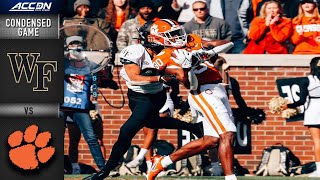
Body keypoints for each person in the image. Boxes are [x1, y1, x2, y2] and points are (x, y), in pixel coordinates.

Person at [83, 20, 204, 180]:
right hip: (136, 95)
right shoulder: (135, 51)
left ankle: (105, 171)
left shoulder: (172, 51)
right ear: (153, 37)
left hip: (153, 97)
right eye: (171, 35)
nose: (175, 38)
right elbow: (134, 77)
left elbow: (185, 77)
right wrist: (160, 77)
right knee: (152, 122)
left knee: (126, 131)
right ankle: (193, 128)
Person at [146, 41, 237, 180]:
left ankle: (162, 162)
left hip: (218, 89)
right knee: (227, 134)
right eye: (172, 33)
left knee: (212, 140)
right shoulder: (164, 58)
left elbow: (229, 43)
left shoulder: (191, 41)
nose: (176, 36)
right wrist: (187, 67)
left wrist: (207, 52)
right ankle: (230, 178)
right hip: (204, 92)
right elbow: (190, 85)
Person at [61, 36, 106, 172]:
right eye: (72, 45)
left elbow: (95, 87)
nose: (75, 48)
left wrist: (95, 102)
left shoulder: (90, 65)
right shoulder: (62, 63)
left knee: (91, 138)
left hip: (81, 107)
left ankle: (103, 169)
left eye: (78, 45)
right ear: (67, 47)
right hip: (62, 106)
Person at [283, 57, 320, 177]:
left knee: (317, 141)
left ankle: (319, 169)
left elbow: (301, 101)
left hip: (314, 110)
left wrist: (287, 105)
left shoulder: (307, 80)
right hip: (314, 109)